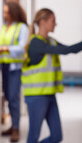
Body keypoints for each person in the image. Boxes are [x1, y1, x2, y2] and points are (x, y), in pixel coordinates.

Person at [22, 8, 82, 143]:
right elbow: (66, 51)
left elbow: (70, 49)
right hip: (36, 97)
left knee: (56, 136)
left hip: (49, 94)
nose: (56, 24)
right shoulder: (36, 43)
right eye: (53, 21)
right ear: (42, 22)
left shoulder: (51, 42)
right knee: (33, 137)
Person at [0, 1, 28, 142]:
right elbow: (1, 43)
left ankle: (16, 129)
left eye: (7, 12)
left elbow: (22, 48)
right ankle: (12, 125)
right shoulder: (5, 27)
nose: (4, 14)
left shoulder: (22, 27)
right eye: (4, 12)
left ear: (13, 12)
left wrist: (5, 48)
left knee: (13, 98)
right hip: (4, 67)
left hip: (15, 68)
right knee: (7, 97)